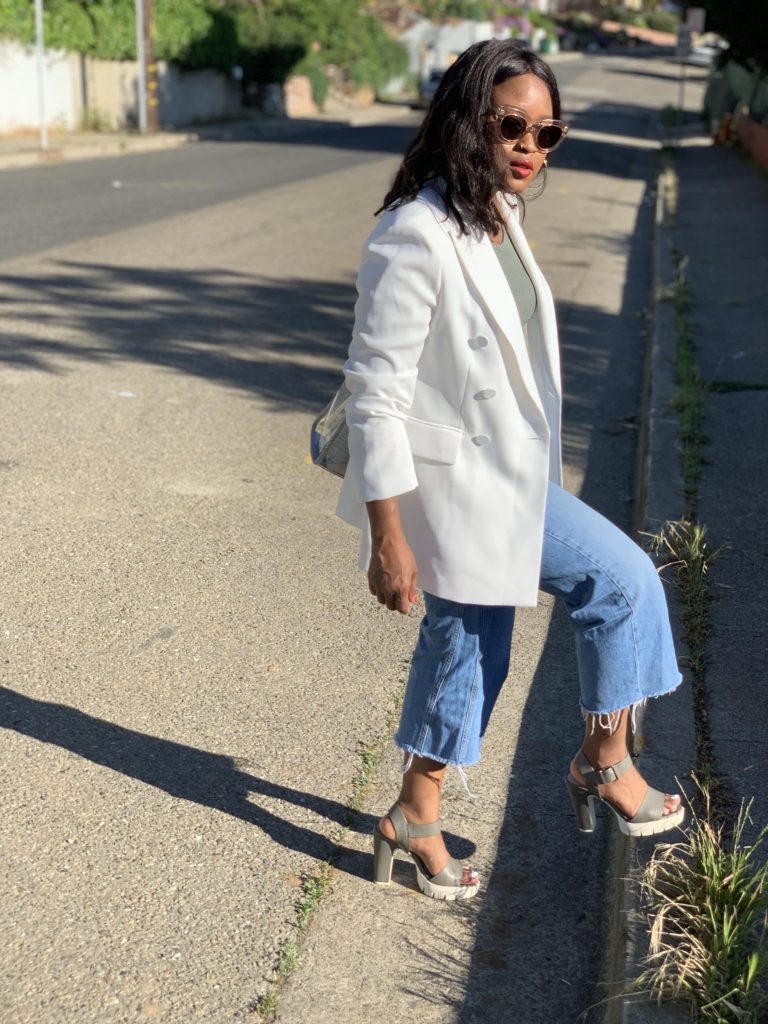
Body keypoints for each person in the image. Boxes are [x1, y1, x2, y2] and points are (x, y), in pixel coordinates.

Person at [335, 39, 684, 902]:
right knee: (474, 641)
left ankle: (587, 763)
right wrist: (389, 534)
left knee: (619, 582)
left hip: (510, 483)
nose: (530, 145)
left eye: (547, 131)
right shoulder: (414, 232)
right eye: (511, 125)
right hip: (446, 492)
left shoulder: (497, 218)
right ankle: (452, 808)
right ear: (469, 120)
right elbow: (374, 393)